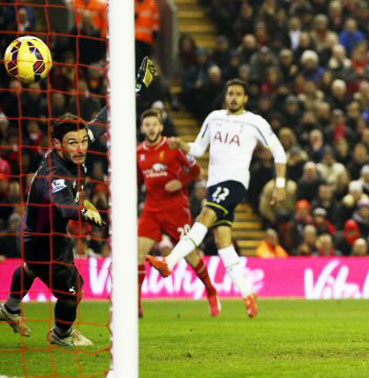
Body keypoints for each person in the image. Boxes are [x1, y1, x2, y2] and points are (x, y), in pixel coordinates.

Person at [0, 58, 156, 347]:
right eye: (73, 143)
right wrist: (86, 211)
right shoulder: (54, 174)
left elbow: (107, 118)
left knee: (32, 269)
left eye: (84, 141)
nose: (82, 147)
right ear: (58, 145)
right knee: (74, 291)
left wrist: (137, 87)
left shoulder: (73, 147)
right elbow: (64, 205)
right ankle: (61, 335)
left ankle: (9, 308)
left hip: (46, 234)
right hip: (42, 241)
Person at [147, 79, 287, 318]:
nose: (233, 97)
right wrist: (181, 144)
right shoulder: (213, 118)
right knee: (223, 242)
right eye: (230, 93)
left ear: (245, 99)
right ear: (226, 96)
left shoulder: (255, 122)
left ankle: (168, 263)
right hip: (214, 184)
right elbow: (199, 149)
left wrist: (280, 184)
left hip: (235, 182)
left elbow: (279, 152)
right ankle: (248, 294)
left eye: (238, 94)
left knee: (205, 215)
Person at [137, 109, 219, 318]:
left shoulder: (173, 147)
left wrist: (180, 182)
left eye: (154, 124)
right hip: (152, 209)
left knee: (191, 256)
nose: (151, 128)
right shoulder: (139, 153)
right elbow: (137, 181)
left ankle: (211, 290)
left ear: (161, 127)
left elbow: (196, 171)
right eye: (147, 125)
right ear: (142, 128)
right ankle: (136, 303)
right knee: (137, 254)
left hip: (176, 209)